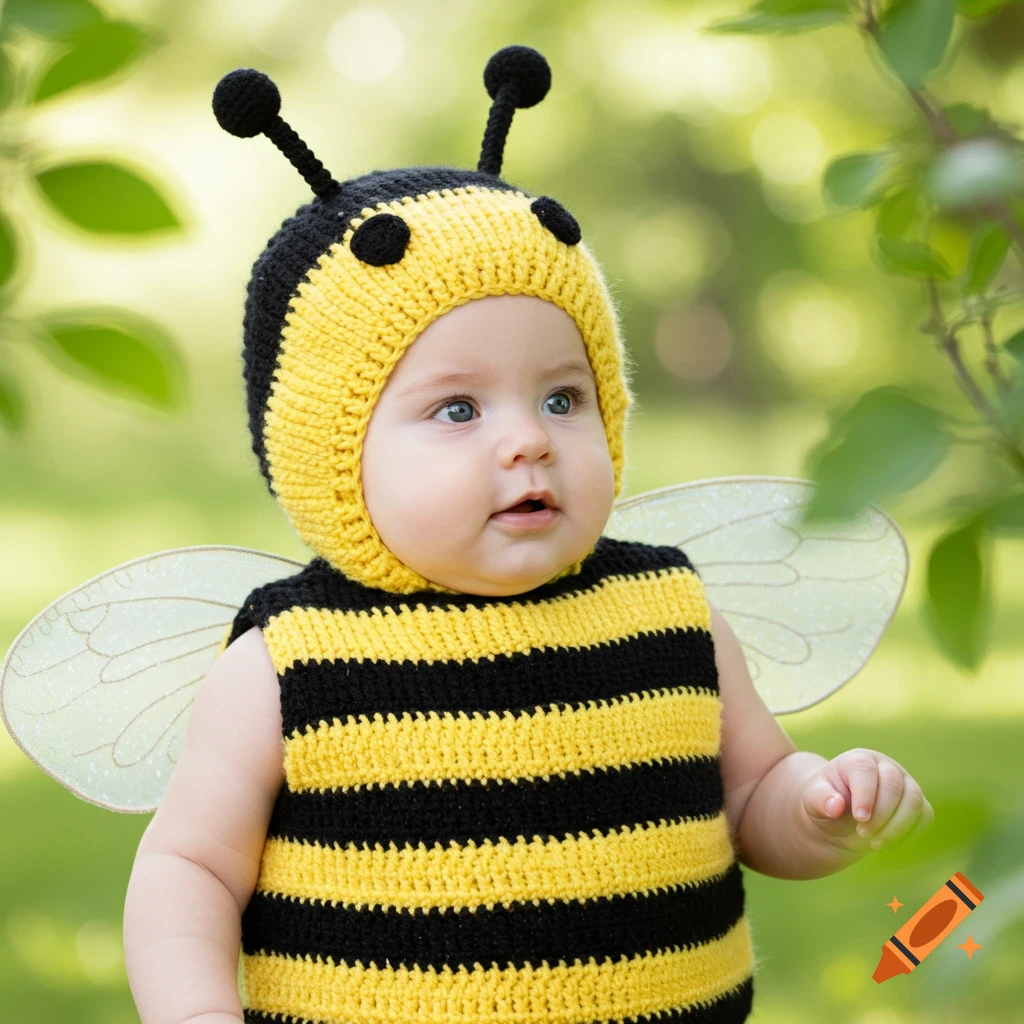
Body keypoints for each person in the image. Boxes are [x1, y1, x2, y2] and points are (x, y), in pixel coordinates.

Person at [121, 48, 933, 1024]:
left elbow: (752, 796)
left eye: (561, 397)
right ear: (332, 451)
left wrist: (815, 806)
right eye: (458, 409)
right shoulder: (291, 664)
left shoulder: (671, 617)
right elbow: (192, 866)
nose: (528, 441)